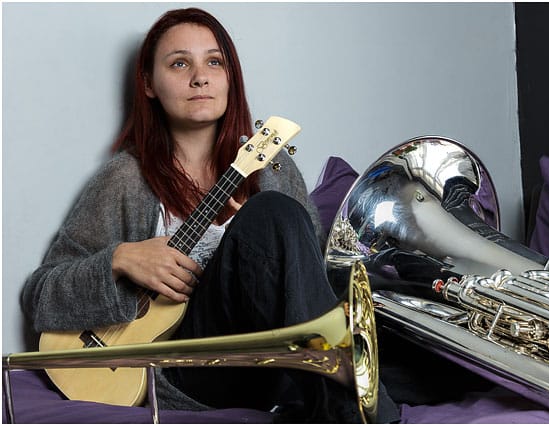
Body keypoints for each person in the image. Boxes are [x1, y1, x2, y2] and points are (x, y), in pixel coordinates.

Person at [20, 7, 399, 423]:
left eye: (214, 62)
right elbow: (39, 297)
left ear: (229, 78)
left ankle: (350, 394)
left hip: (274, 357)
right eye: (180, 63)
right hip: (188, 369)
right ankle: (357, 413)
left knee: (275, 214)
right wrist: (121, 259)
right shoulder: (126, 179)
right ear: (148, 84)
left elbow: (308, 288)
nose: (200, 76)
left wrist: (256, 233)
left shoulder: (271, 167)